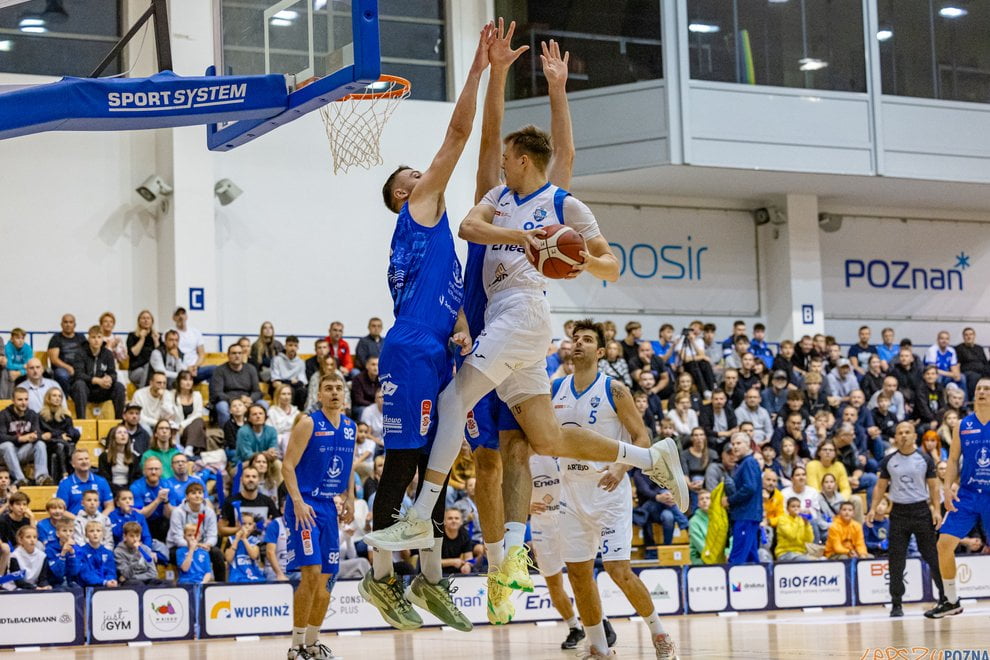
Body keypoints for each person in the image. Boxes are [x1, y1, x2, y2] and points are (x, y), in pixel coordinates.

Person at [365, 26, 682, 582]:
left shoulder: (550, 201)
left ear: (525, 163)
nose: (503, 161)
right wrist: (498, 73)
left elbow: (562, 158)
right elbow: (488, 142)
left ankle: (490, 553)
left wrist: (558, 90)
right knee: (542, 440)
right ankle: (651, 457)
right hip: (479, 321)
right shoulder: (491, 200)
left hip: (515, 315)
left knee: (485, 435)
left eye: (514, 157)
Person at [358, 21, 495, 635]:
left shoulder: (434, 235)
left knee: (437, 465)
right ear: (400, 196)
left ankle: (431, 580)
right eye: (407, 176)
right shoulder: (420, 208)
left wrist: (464, 325)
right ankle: (380, 575)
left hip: (436, 347)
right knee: (405, 461)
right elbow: (459, 132)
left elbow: (448, 293)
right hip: (411, 350)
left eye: (417, 172)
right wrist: (478, 69)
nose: (419, 174)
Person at [554, 320, 679, 659]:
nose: (578, 343)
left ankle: (659, 632)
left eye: (587, 339)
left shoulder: (615, 389)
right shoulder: (555, 389)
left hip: (608, 491)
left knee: (618, 570)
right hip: (570, 492)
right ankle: (599, 647)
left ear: (601, 351)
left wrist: (622, 466)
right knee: (579, 575)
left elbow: (642, 439)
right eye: (575, 338)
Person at [280, 372, 356, 660]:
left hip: (328, 507)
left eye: (338, 388)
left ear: (344, 394)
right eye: (328, 388)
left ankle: (313, 643)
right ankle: (295, 645)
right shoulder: (309, 423)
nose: (335, 392)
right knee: (310, 576)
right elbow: (287, 466)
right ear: (319, 395)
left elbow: (347, 467)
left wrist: (350, 496)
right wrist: (297, 502)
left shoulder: (350, 426)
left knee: (327, 579)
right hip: (305, 506)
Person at [925, 377, 990, 619]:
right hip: (969, 494)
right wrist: (948, 487)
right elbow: (952, 461)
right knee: (944, 545)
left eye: (987, 389)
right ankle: (951, 601)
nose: (982, 392)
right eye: (979, 388)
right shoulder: (962, 425)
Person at [527, 453, 586, 649]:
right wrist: (524, 505)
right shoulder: (523, 455)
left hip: (569, 517)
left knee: (581, 577)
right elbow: (504, 491)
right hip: (541, 524)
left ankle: (600, 622)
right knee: (553, 583)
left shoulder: (564, 448)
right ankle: (574, 627)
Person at [70, 326, 126, 419]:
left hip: (102, 390)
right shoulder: (80, 353)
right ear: (88, 339)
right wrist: (97, 380)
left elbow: (113, 373)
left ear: (103, 338)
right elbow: (78, 375)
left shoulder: (107, 353)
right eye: (93, 337)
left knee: (119, 387)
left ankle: (119, 422)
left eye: (99, 337)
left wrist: (109, 379)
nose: (96, 340)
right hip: (86, 390)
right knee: (79, 384)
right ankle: (82, 421)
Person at [0, 387, 52, 485]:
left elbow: (37, 433)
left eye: (26, 399)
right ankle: (20, 479)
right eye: (20, 400)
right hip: (5, 454)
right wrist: (20, 438)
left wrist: (36, 436)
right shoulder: (3, 414)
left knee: (40, 444)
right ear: (13, 400)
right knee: (7, 445)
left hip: (22, 452)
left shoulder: (32, 414)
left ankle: (41, 477)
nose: (24, 403)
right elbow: (1, 436)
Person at [724, 431, 763, 564]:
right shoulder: (743, 463)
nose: (735, 447)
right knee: (751, 557)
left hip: (745, 515)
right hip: (748, 515)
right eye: (733, 444)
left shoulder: (748, 463)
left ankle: (731, 582)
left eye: (739, 443)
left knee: (738, 556)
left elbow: (749, 488)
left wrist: (730, 500)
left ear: (748, 445)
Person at [210, 344, 265, 427]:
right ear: (228, 355)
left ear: (243, 355)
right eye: (234, 353)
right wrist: (237, 402)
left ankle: (258, 434)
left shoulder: (251, 369)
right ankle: (227, 435)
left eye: (240, 353)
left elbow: (257, 391)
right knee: (221, 407)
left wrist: (251, 399)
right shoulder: (219, 370)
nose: (237, 356)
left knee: (264, 404)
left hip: (247, 401)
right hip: (228, 401)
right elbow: (217, 393)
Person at [38, 387, 78, 480]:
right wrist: (59, 435)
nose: (57, 398)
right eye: (54, 396)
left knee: (61, 445)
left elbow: (70, 433)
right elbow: (43, 435)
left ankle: (65, 474)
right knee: (60, 444)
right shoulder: (40, 416)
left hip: (63, 444)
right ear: (48, 398)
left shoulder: (66, 416)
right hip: (47, 445)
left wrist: (56, 435)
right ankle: (64, 473)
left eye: (60, 396)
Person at [57, 447, 113, 514]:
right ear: (73, 464)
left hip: (97, 522)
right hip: (74, 522)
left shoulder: (101, 481)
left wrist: (100, 519)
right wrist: (79, 521)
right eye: (80, 459)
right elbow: (61, 510)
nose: (84, 462)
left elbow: (110, 506)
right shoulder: (65, 484)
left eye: (86, 459)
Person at [130, 455, 172, 543]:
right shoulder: (136, 487)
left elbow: (170, 515)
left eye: (156, 469)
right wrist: (158, 500)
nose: (153, 472)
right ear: (144, 471)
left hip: (162, 523)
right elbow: (140, 514)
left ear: (161, 471)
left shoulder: (168, 485)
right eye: (150, 469)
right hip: (144, 522)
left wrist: (166, 501)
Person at [47, 314, 87, 394]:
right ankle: (65, 399)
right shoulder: (56, 338)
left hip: (79, 368)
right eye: (65, 322)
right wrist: (68, 367)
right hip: (62, 369)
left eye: (71, 322)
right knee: (62, 375)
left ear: (74, 325)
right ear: (61, 324)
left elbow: (86, 354)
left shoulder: (81, 337)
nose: (68, 324)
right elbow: (54, 359)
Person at [169, 370, 207, 452]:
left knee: (199, 421)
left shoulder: (197, 395)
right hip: (176, 430)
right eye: (185, 380)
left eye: (190, 380)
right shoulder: (171, 394)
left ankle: (189, 449)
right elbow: (168, 412)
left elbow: (198, 414)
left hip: (190, 429)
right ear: (179, 381)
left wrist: (183, 425)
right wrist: (178, 427)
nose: (188, 382)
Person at [7, 526, 55, 590]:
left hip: (34, 586)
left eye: (34, 537)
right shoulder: (14, 556)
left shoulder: (42, 556)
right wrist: (34, 588)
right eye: (28, 537)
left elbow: (42, 578)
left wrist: (45, 586)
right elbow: (18, 581)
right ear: (20, 540)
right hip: (15, 587)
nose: (32, 540)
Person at [114, 521, 161, 585]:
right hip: (130, 582)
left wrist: (135, 577)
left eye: (137, 536)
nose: (135, 539)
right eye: (132, 536)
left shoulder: (146, 549)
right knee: (138, 584)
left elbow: (153, 573)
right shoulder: (118, 552)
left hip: (141, 578)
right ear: (125, 537)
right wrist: (137, 554)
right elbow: (126, 574)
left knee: (164, 583)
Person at [98, 425, 142, 493]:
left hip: (129, 491)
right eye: (119, 432)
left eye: (125, 432)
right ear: (113, 437)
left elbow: (137, 477)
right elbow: (104, 479)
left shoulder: (133, 457)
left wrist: (128, 490)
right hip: (111, 491)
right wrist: (118, 491)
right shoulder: (104, 456)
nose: (123, 435)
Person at [226, 512, 266, 583]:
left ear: (253, 526)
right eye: (244, 524)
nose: (247, 526)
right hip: (237, 576)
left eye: (250, 524)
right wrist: (237, 539)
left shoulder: (255, 540)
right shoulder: (231, 540)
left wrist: (244, 539)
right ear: (237, 524)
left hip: (253, 575)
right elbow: (228, 558)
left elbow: (254, 555)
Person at [272, 336, 308, 410]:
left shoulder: (301, 362)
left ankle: (299, 414)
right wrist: (290, 382)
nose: (293, 348)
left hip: (295, 387)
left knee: (302, 391)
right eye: (290, 345)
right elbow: (276, 381)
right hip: (281, 387)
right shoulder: (277, 360)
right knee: (287, 391)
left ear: (298, 347)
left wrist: (289, 382)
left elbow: (302, 382)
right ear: (285, 346)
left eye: (295, 346)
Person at [126, 310, 161, 387]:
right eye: (143, 318)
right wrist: (142, 338)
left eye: (148, 318)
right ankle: (143, 393)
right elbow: (134, 354)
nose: (146, 320)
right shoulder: (132, 336)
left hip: (153, 370)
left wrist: (156, 341)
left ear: (152, 321)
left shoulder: (157, 336)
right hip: (135, 371)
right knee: (147, 367)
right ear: (139, 321)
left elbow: (160, 356)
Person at [775, 497, 816, 561]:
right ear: (787, 509)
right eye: (793, 506)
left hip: (800, 553)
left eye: (798, 506)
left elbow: (810, 540)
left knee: (821, 559)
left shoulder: (802, 520)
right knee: (804, 559)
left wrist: (806, 524)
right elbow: (792, 535)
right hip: (785, 553)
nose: (796, 508)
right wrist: (798, 519)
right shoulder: (782, 520)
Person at [956, 328, 990, 401]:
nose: (969, 337)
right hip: (968, 372)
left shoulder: (979, 348)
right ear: (963, 337)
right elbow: (957, 364)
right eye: (966, 335)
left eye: (971, 334)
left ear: (974, 336)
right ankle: (971, 401)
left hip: (982, 371)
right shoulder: (959, 348)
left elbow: (985, 362)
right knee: (974, 377)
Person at [439, 508, 475, 575]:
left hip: (457, 572)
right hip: (438, 572)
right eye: (450, 518)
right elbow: (432, 563)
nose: (453, 521)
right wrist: (452, 562)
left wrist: (467, 566)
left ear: (461, 522)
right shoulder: (438, 536)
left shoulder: (465, 534)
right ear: (444, 521)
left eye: (457, 518)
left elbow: (469, 558)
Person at [269, 384, 301, 456]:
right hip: (278, 443)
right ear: (278, 396)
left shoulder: (296, 412)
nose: (286, 397)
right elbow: (270, 432)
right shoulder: (272, 412)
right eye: (283, 394)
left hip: (294, 442)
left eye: (289, 394)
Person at [688, 490, 711, 564]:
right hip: (700, 560)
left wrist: (727, 553)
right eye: (702, 499)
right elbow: (701, 546)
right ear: (698, 504)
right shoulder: (693, 521)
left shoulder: (720, 518)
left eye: (707, 498)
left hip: (720, 558)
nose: (704, 501)